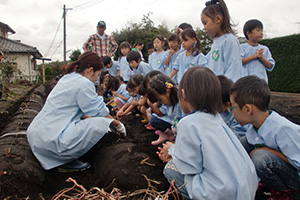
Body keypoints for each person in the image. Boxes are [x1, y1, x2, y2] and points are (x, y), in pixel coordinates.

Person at [158, 66, 258, 199]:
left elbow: (190, 165)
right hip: (247, 188)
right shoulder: (216, 118)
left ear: (184, 95)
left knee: (170, 169)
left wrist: (172, 151)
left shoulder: (188, 122)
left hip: (222, 193)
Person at [26, 52, 126, 172]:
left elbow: (77, 111)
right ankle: (64, 160)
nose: (96, 80)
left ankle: (61, 157)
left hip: (37, 136)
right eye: (97, 75)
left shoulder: (67, 78)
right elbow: (99, 111)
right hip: (51, 142)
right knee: (99, 124)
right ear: (90, 70)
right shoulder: (84, 84)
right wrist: (117, 124)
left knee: (91, 121)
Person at [229, 75, 300, 198]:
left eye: (233, 108)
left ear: (247, 109)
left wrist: (265, 150)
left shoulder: (282, 129)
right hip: (285, 171)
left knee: (261, 158)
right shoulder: (255, 129)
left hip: (297, 179)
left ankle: (286, 195)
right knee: (241, 145)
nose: (231, 112)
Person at [201, 0, 242, 82]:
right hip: (215, 89)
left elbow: (234, 69)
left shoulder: (230, 40)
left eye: (205, 23)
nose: (204, 28)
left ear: (218, 19)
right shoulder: (216, 43)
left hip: (225, 90)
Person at [147, 74, 184, 145]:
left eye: (160, 100)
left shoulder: (181, 105)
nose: (160, 103)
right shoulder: (168, 104)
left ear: (168, 90)